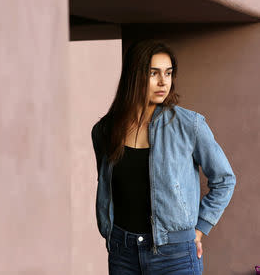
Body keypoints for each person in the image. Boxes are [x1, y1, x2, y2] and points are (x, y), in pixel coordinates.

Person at [91, 39, 236, 274]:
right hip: (122, 253)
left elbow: (225, 180)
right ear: (134, 76)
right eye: (153, 73)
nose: (163, 81)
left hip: (175, 255)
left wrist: (199, 230)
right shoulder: (105, 130)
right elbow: (106, 187)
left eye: (168, 73)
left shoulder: (189, 125)